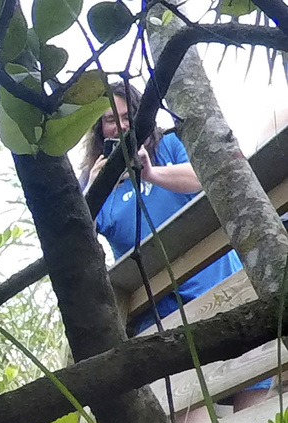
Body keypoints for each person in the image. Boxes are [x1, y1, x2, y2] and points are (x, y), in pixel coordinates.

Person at [81, 81, 242, 334]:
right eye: (111, 119)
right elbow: (79, 243)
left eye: (127, 116)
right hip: (156, 310)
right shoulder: (92, 181)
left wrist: (151, 174)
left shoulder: (170, 142)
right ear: (100, 129)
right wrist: (94, 189)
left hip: (217, 281)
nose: (121, 126)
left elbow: (203, 177)